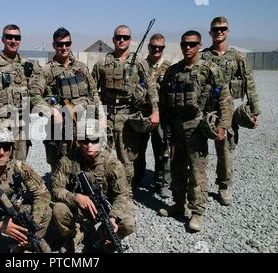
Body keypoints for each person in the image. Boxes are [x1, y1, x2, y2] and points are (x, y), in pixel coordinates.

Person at [158, 31, 232, 232]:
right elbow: (163, 101)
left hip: (196, 126)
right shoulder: (173, 71)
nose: (187, 48)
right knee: (176, 168)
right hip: (175, 127)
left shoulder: (209, 69)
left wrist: (223, 125)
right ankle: (179, 204)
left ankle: (197, 212)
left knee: (197, 171)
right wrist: (165, 126)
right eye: (184, 44)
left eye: (192, 44)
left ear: (200, 45)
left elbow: (224, 97)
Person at [51, 119, 136, 253]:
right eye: (85, 141)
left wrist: (113, 217)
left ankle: (102, 235)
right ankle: (74, 235)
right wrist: (76, 197)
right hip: (80, 206)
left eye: (94, 140)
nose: (89, 145)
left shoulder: (112, 164)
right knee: (58, 209)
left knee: (128, 223)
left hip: (107, 207)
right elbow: (56, 189)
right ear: (78, 141)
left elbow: (122, 195)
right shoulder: (67, 161)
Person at [201, 17, 261, 206]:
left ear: (228, 31)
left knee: (225, 151)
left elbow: (249, 83)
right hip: (206, 108)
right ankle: (195, 185)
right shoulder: (203, 57)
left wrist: (254, 111)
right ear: (210, 32)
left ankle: (223, 186)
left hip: (229, 110)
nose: (219, 32)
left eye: (223, 29)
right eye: (216, 29)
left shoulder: (238, 57)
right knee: (196, 148)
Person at [92, 25, 159, 188]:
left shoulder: (139, 63)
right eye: (119, 37)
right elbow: (92, 89)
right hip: (106, 115)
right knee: (100, 157)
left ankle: (126, 193)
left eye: (126, 37)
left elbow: (151, 87)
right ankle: (102, 190)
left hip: (127, 115)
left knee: (127, 159)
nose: (122, 40)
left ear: (130, 40)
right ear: (113, 39)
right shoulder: (102, 63)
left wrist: (156, 111)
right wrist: (97, 112)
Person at [30, 27, 101, 173]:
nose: (64, 48)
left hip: (82, 124)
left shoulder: (81, 67)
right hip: (59, 128)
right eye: (60, 44)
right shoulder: (46, 71)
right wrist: (51, 112)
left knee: (84, 165)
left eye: (67, 44)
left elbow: (93, 93)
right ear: (54, 45)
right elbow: (34, 96)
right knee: (60, 166)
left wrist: (101, 115)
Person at [0, 24, 39, 161]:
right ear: (2, 39)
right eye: (9, 37)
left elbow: (36, 91)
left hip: (21, 126)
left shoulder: (27, 65)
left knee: (19, 166)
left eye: (17, 37)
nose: (13, 40)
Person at [135, 34, 172, 197]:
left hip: (162, 115)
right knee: (138, 149)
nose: (156, 50)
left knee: (163, 150)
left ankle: (162, 182)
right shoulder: (139, 66)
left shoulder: (169, 68)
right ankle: (137, 178)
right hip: (143, 113)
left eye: (160, 47)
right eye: (153, 46)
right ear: (148, 47)